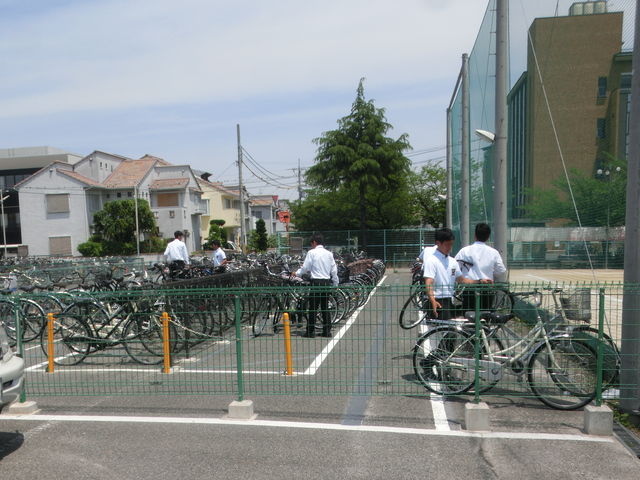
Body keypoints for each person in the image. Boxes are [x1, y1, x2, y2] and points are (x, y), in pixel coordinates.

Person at [423, 228, 483, 320]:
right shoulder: (431, 261)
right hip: (438, 299)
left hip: (450, 300)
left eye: (451, 244)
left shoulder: (452, 261)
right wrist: (433, 301)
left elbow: (461, 280)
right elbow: (429, 282)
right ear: (438, 243)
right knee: (445, 327)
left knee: (456, 325)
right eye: (447, 245)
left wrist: (479, 281)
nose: (449, 247)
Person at [293, 233, 339, 338]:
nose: (311, 245)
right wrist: (335, 283)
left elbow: (305, 267)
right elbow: (334, 270)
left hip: (316, 282)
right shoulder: (329, 254)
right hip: (326, 282)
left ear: (314, 242)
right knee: (325, 307)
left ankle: (310, 331)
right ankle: (327, 331)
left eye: (311, 243)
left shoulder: (311, 252)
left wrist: (297, 273)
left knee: (313, 308)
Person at [455, 223, 507, 311]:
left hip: (469, 287)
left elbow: (454, 267)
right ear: (488, 237)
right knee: (485, 314)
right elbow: (501, 270)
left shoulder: (464, 251)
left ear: (475, 235)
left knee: (469, 314)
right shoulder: (493, 252)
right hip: (487, 288)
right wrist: (491, 273)